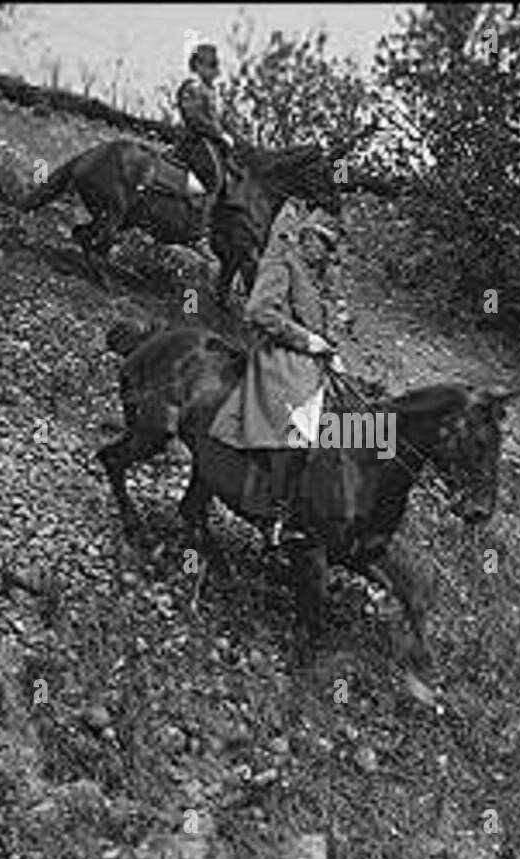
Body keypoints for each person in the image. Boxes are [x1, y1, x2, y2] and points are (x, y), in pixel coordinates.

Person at [208, 216, 345, 544]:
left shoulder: (316, 277)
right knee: (296, 423)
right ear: (305, 235)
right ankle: (275, 513)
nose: (322, 252)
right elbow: (258, 312)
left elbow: (322, 323)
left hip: (311, 359)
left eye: (329, 246)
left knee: (345, 420)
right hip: (278, 354)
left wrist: (329, 351)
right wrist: (307, 341)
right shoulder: (280, 263)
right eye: (319, 241)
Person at [176, 43, 236, 198]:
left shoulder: (209, 88)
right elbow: (195, 118)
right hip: (196, 140)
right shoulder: (192, 87)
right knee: (212, 178)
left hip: (212, 140)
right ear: (198, 65)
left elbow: (216, 118)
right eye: (211, 65)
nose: (216, 71)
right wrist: (219, 134)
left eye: (215, 65)